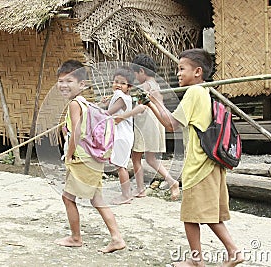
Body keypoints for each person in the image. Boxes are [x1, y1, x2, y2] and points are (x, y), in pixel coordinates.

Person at [143, 49, 244, 267]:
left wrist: (156, 100)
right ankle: (227, 253)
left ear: (197, 72)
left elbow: (171, 124)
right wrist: (152, 103)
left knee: (191, 215)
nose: (177, 74)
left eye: (181, 69)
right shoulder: (203, 93)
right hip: (211, 164)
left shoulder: (194, 93)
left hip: (199, 165)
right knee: (207, 213)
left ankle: (203, 258)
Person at [54, 59, 126, 253]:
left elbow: (77, 132)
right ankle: (116, 238)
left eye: (69, 81)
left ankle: (76, 237)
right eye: (61, 81)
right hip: (91, 158)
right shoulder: (85, 103)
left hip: (82, 159)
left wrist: (68, 155)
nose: (63, 85)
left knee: (68, 198)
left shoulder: (75, 104)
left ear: (82, 84)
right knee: (96, 200)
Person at [131, 54, 180, 200]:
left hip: (146, 124)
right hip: (157, 122)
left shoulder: (143, 87)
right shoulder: (156, 85)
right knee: (151, 158)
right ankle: (172, 181)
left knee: (136, 157)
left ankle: (140, 189)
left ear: (141, 71)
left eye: (135, 74)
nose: (135, 78)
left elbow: (141, 107)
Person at [103, 66, 139, 205]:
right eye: (116, 81)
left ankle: (126, 195)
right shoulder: (124, 96)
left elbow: (109, 113)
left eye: (122, 83)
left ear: (129, 86)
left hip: (121, 136)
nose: (118, 85)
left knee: (120, 166)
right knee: (120, 164)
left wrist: (93, 112)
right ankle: (126, 194)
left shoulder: (120, 97)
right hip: (124, 135)